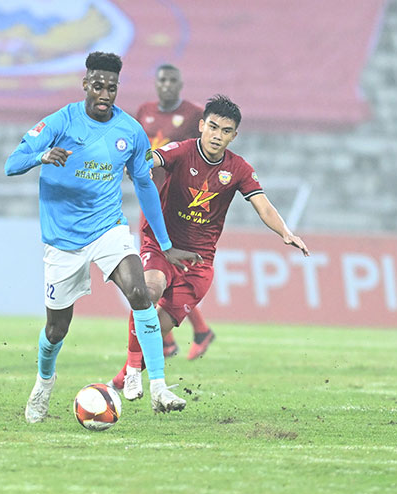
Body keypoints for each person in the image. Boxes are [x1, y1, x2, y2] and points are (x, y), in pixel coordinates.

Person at [5, 51, 201, 422]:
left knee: (140, 293)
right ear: (85, 85)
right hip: (63, 240)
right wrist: (42, 156)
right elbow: (11, 163)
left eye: (111, 88)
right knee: (56, 327)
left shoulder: (129, 131)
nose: (105, 94)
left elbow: (144, 184)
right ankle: (44, 383)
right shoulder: (61, 121)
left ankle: (157, 385)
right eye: (98, 86)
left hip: (107, 228)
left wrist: (164, 244)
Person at [110, 95, 309, 401]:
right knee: (148, 292)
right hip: (162, 246)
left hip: (199, 263)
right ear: (201, 126)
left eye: (225, 131)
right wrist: (137, 163)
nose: (217, 135)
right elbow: (156, 157)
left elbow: (262, 204)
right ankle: (135, 372)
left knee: (158, 327)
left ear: (234, 135)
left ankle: (126, 377)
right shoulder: (184, 150)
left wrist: (285, 232)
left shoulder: (238, 169)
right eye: (213, 127)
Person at [135, 64, 214, 360]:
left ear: (180, 84)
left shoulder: (195, 114)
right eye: (162, 80)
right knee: (154, 272)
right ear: (155, 84)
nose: (166, 85)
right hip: (149, 199)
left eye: (172, 80)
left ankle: (174, 338)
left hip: (178, 204)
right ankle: (186, 335)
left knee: (160, 272)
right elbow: (134, 148)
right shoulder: (144, 111)